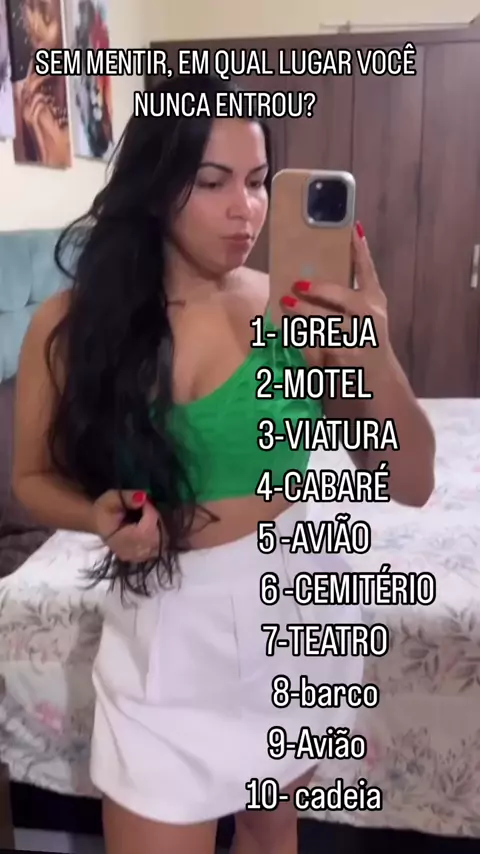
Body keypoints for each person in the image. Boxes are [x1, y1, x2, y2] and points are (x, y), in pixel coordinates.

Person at [12, 73, 436, 854]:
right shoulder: (71, 325)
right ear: (156, 184)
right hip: (166, 644)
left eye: (258, 181)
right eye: (213, 183)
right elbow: (31, 480)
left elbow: (411, 481)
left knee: (271, 836)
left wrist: (374, 353)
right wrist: (95, 515)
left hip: (293, 615)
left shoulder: (296, 311)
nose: (247, 209)